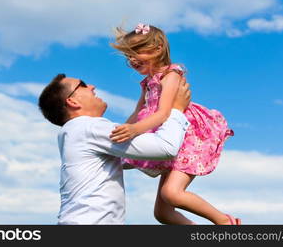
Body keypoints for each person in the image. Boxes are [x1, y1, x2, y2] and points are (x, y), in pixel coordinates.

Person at [110, 23, 241, 225]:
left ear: (157, 49)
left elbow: (163, 113)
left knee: (172, 193)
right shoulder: (147, 83)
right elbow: (138, 112)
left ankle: (224, 222)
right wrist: (117, 133)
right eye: (128, 55)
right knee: (162, 214)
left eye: (136, 52)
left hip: (187, 138)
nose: (132, 59)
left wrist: (135, 130)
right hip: (169, 137)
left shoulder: (171, 75)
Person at [38, 73, 192, 224]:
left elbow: (124, 155)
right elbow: (166, 148)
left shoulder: (74, 132)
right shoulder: (89, 127)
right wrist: (177, 109)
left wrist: (142, 104)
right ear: (72, 101)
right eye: (83, 85)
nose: (92, 86)